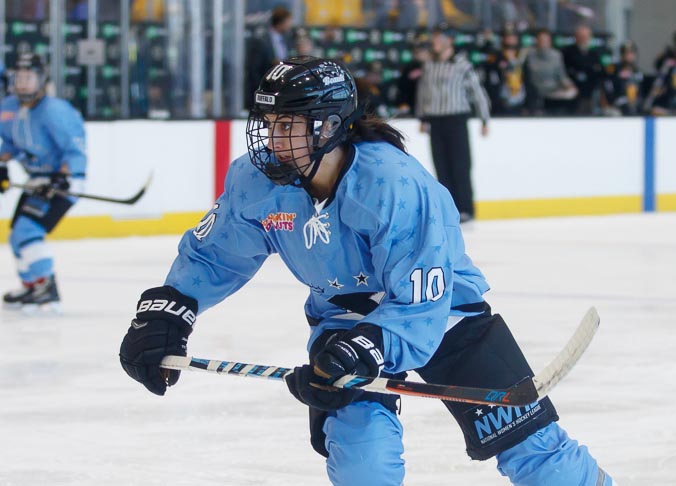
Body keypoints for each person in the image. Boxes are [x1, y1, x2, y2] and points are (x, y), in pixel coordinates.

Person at [118, 56, 616, 486]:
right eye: (268, 121)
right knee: (362, 460)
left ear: (330, 125)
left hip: (444, 317)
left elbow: (423, 298)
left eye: (288, 123)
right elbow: (216, 252)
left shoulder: (394, 184)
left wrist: (367, 349)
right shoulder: (257, 180)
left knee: (533, 449)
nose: (272, 136)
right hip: (343, 325)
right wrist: (171, 309)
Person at [0, 53, 87, 312]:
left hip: (64, 183)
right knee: (17, 235)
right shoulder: (9, 108)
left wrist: (63, 177)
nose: (24, 83)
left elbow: (75, 150)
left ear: (42, 80)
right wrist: (2, 166)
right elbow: (10, 144)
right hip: (36, 181)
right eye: (20, 77)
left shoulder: (56, 112)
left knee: (28, 231)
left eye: (30, 77)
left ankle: (46, 287)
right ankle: (30, 285)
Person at [415, 24, 491, 223]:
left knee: (460, 165)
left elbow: (477, 93)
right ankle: (449, 208)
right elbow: (424, 92)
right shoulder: (430, 65)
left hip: (456, 119)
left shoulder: (462, 65)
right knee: (441, 165)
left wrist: (484, 118)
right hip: (436, 120)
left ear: (449, 41)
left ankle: (466, 208)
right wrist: (422, 117)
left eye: (439, 38)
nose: (434, 42)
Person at [245, 6, 293, 110]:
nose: (290, 25)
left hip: (281, 90)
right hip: (265, 89)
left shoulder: (287, 40)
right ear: (281, 22)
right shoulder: (261, 41)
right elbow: (254, 69)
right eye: (289, 21)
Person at [524, 28, 577, 115]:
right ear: (537, 41)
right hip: (536, 90)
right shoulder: (529, 55)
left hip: (554, 89)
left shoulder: (556, 55)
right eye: (541, 40)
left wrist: (570, 86)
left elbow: (562, 76)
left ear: (550, 41)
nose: (543, 42)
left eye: (545, 40)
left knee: (572, 94)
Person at [561, 24, 605, 115]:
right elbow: (565, 70)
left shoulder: (594, 53)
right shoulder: (568, 52)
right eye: (581, 36)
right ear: (576, 37)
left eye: (586, 36)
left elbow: (598, 71)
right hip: (574, 87)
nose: (583, 39)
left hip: (591, 89)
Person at [601, 40, 644, 116]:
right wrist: (611, 101)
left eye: (631, 53)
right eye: (626, 53)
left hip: (634, 104)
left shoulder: (637, 71)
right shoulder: (613, 69)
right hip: (617, 104)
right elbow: (607, 87)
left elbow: (640, 90)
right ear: (622, 55)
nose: (629, 56)